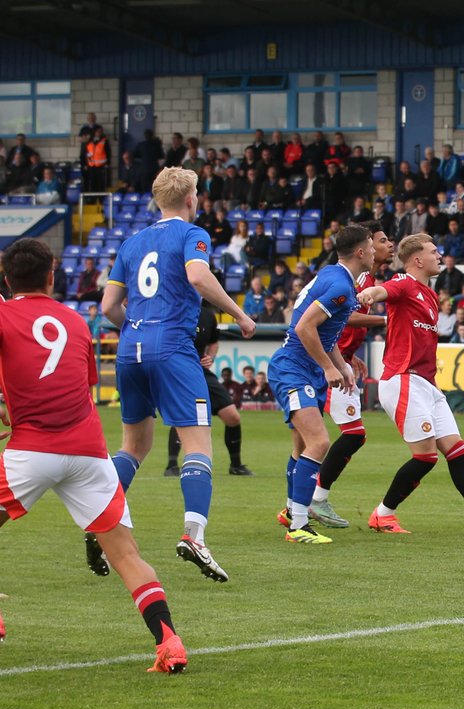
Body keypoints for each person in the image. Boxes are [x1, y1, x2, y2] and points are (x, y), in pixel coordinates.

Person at [0, 239, 187, 671]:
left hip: (31, 450)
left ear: (8, 280)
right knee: (126, 555)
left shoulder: (6, 315)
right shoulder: (77, 322)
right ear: (52, 275)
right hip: (89, 452)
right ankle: (169, 642)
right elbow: (75, 384)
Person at [101, 167, 256, 583]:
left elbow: (108, 307)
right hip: (172, 346)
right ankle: (194, 536)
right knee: (198, 444)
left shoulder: (132, 243)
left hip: (130, 349)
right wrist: (239, 313)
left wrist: (137, 326)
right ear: (191, 199)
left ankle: (97, 522)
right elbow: (198, 275)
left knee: (133, 447)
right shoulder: (192, 234)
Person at [354, 234, 464, 535]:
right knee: (426, 456)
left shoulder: (429, 295)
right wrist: (370, 295)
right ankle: (382, 514)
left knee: (457, 450)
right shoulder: (405, 283)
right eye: (433, 252)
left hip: (427, 384)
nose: (439, 255)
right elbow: (384, 290)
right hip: (403, 379)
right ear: (417, 260)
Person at [267, 224, 374, 544]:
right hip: (293, 370)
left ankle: (291, 511)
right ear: (360, 252)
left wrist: (342, 366)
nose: (373, 251)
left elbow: (325, 335)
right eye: (371, 245)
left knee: (302, 446)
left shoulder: (335, 276)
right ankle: (298, 525)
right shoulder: (340, 284)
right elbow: (304, 328)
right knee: (319, 443)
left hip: (306, 371)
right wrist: (329, 367)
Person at [307, 221, 395, 528]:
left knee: (313, 439)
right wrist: (386, 321)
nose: (387, 246)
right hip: (328, 365)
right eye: (382, 241)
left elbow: (340, 321)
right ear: (365, 247)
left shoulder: (363, 277)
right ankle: (313, 500)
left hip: (338, 360)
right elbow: (344, 316)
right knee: (352, 434)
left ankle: (298, 504)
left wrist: (349, 355)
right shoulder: (356, 279)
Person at [162, 302, 254, 478]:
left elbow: (213, 343)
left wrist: (210, 358)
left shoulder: (207, 315)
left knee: (232, 416)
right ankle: (172, 465)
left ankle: (236, 465)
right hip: (180, 371)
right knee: (183, 416)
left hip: (201, 371)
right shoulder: (174, 309)